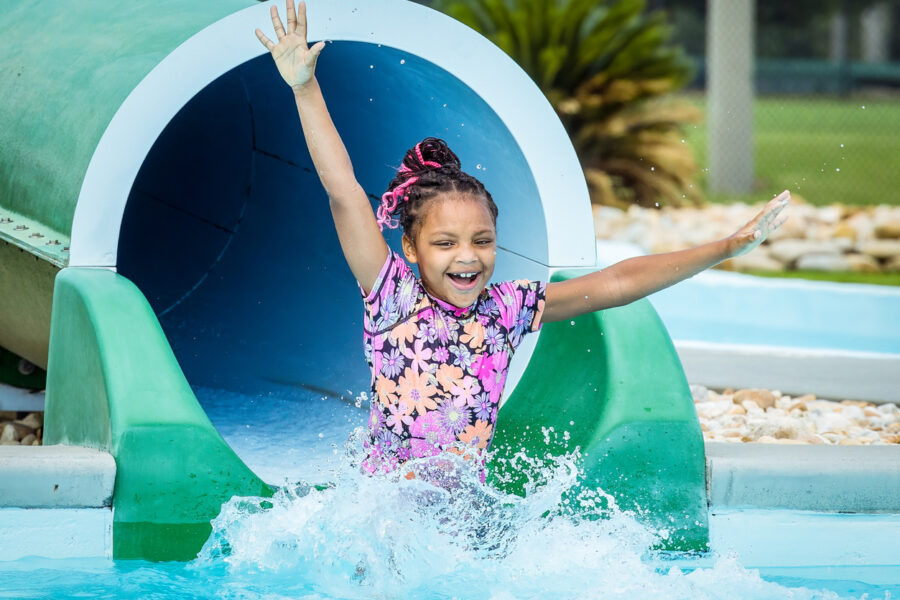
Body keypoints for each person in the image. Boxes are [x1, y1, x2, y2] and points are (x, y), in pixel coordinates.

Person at [255, 0, 788, 481]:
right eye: (446, 243)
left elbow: (618, 281)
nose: (467, 256)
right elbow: (345, 192)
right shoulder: (392, 295)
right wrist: (305, 87)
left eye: (482, 240)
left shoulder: (507, 310)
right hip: (387, 512)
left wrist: (725, 247)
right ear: (411, 250)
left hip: (461, 514)